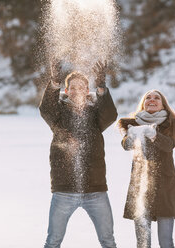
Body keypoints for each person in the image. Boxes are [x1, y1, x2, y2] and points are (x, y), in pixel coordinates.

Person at [39, 61, 118, 248]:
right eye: (72, 87)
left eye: (81, 87)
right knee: (53, 241)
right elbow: (46, 110)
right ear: (66, 91)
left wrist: (102, 88)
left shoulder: (95, 114)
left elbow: (110, 115)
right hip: (64, 190)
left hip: (96, 190)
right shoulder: (58, 113)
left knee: (108, 241)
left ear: (86, 90)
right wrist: (54, 83)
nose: (76, 90)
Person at [117, 90, 175, 248]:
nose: (152, 100)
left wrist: (153, 134)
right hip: (141, 190)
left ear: (163, 103)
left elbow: (169, 145)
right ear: (143, 104)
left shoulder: (172, 123)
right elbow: (126, 145)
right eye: (147, 98)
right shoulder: (134, 123)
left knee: (166, 242)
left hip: (165, 189)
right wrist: (132, 135)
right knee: (143, 243)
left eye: (156, 98)